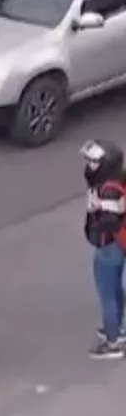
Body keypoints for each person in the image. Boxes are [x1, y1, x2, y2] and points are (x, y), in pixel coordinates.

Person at [81, 138, 126, 358]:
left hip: (108, 246)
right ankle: (119, 329)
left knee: (108, 294)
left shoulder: (107, 190)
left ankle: (113, 341)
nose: (89, 165)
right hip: (118, 245)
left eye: (94, 162)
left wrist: (95, 209)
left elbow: (109, 222)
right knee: (117, 291)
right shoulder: (119, 180)